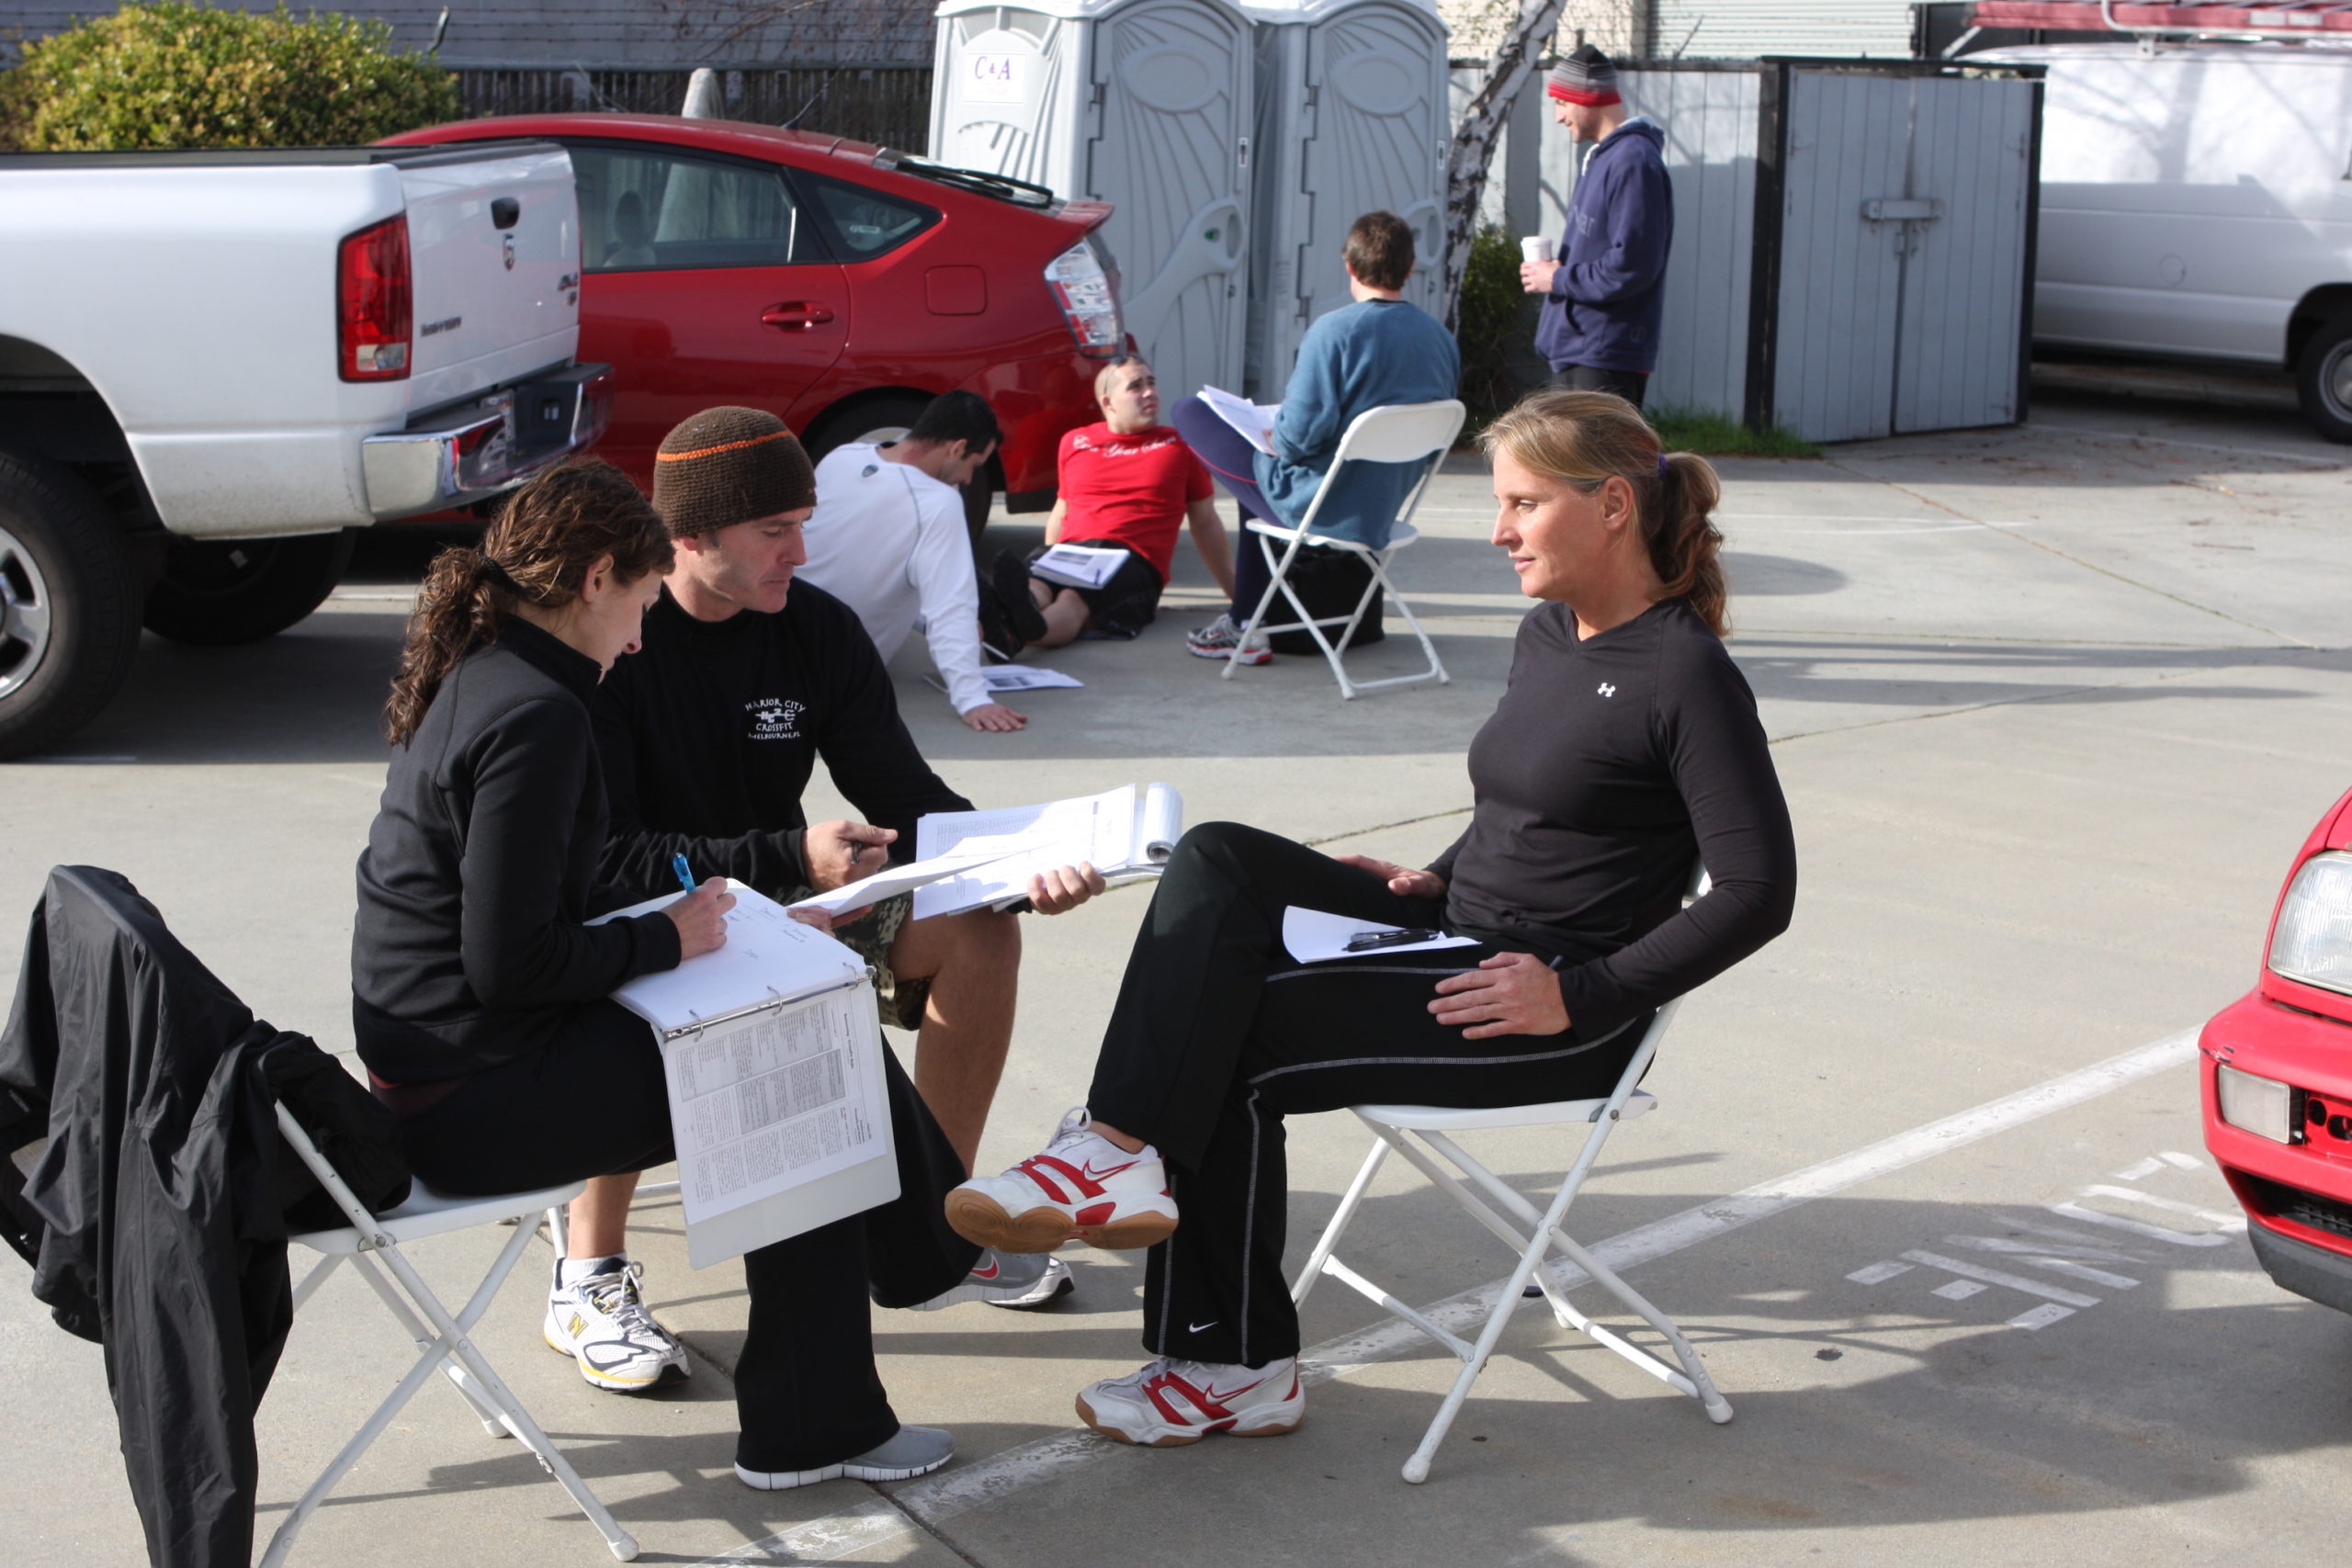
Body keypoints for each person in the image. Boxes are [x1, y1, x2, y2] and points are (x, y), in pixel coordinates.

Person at [945, 390, 1798, 1447]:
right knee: (1220, 856)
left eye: (1522, 506)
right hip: (1455, 930)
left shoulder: (1684, 674)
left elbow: (1759, 891)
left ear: (1612, 506)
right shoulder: (1548, 634)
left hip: (1541, 1007)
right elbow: (1528, 805)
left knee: (1236, 1040)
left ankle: (1233, 1363)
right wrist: (1436, 877)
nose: (1497, 532)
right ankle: (1117, 1146)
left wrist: (1578, 996)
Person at [350, 460, 980, 1488]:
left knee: (799, 1028)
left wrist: (681, 927)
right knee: (802, 1064)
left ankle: (911, 1271)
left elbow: (535, 916)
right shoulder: (539, 715)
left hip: (442, 1066)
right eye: (641, 602)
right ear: (598, 580)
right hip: (468, 1101)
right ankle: (852, 1368)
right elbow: (508, 963)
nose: (643, 636)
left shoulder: (492, 673)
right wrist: (671, 939)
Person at [592, 405, 1107, 1313]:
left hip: (785, 890)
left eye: (804, 528)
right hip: (644, 907)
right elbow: (609, 852)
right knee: (627, 1004)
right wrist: (789, 851)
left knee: (978, 928)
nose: (799, 554)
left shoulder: (813, 628)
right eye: (774, 531)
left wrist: (1025, 864)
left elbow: (902, 792)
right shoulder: (618, 641)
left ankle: (935, 1219)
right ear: (690, 535)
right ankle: (588, 1270)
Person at [1171, 209, 1460, 665]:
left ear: (1349, 266)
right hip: (1384, 507)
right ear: (1409, 269)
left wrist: (1275, 434)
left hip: (1322, 505)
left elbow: (1296, 441)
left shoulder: (1334, 331)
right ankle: (1246, 619)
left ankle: (1246, 625)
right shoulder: (1440, 339)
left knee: (1189, 410)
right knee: (1258, 484)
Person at [797, 390, 1026, 732]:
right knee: (945, 575)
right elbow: (951, 607)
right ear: (956, 448)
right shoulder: (938, 503)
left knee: (918, 561)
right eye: (973, 466)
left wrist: (923, 622)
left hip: (782, 636)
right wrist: (973, 698)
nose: (967, 480)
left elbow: (856, 560)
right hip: (835, 669)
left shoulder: (841, 457)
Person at [991, 355, 1234, 649]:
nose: (1149, 392)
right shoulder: (1075, 441)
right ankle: (1019, 610)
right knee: (1036, 584)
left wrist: (1237, 594)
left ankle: (1014, 635)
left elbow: (1205, 521)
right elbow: (1062, 511)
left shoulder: (1179, 446)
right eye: (1135, 386)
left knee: (1073, 597)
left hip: (1132, 559)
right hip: (1071, 552)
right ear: (1108, 403)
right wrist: (1048, 555)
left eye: (1151, 383)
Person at [1520, 45, 1674, 408]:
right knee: (1573, 466)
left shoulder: (1633, 162)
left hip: (1605, 357)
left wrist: (1556, 279)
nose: (1558, 117)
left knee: (1600, 467)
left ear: (1587, 97)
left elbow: (1632, 265)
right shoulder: (1606, 159)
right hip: (1582, 352)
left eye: (1561, 103)